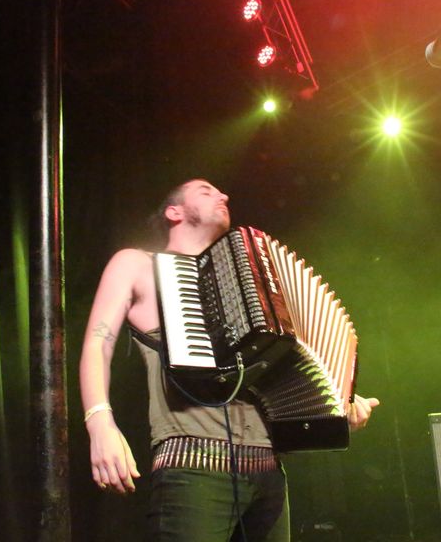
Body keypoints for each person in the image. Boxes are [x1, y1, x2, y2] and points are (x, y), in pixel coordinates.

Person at [79, 178, 379, 541]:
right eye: (205, 191)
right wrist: (100, 423)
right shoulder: (137, 264)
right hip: (194, 464)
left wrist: (336, 404)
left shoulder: (249, 281)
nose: (223, 195)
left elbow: (284, 368)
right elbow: (98, 344)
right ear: (174, 212)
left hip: (269, 472)